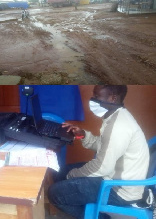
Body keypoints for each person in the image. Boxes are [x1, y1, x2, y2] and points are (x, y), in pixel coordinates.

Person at [48, 85, 150, 219]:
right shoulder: (115, 116)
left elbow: (102, 167)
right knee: (60, 172)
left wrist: (73, 175)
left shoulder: (119, 127)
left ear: (113, 98)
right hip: (113, 175)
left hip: (119, 190)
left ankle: (101, 217)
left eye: (97, 96)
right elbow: (104, 147)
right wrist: (83, 134)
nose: (92, 100)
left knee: (54, 194)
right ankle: (83, 201)